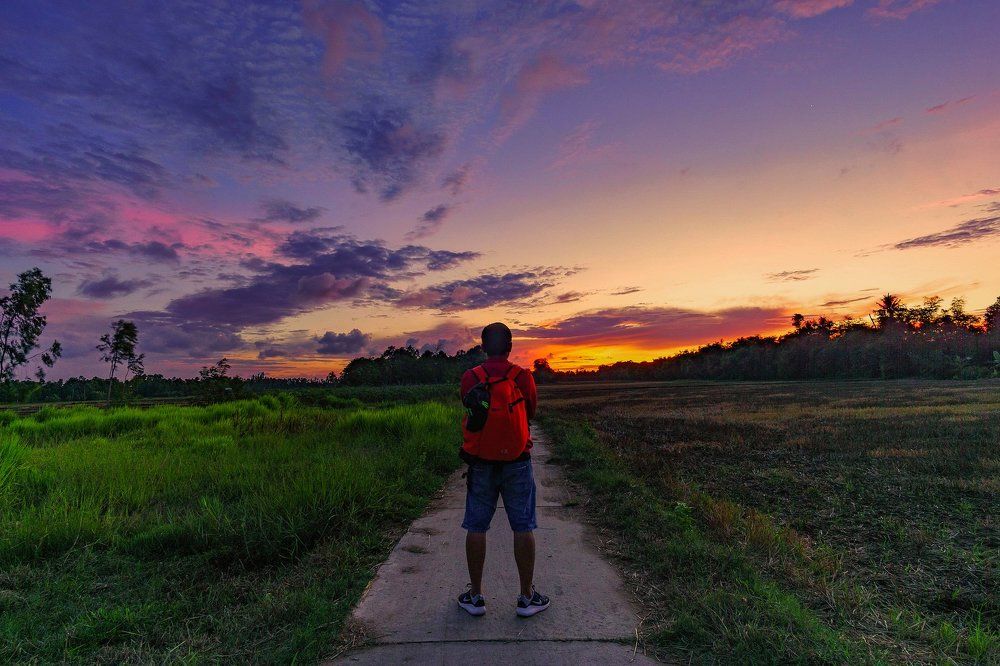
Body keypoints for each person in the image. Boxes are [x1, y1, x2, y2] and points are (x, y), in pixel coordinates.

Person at [456, 322, 550, 618]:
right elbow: (531, 412)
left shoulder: (470, 377)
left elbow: (471, 410)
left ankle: (475, 597)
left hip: (481, 462)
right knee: (523, 526)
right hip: (518, 462)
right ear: (510, 347)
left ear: (483, 347)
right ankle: (526, 597)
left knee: (476, 526)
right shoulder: (522, 377)